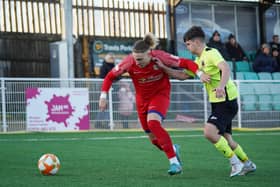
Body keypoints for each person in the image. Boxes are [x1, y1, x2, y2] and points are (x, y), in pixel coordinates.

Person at [99, 32, 206, 175]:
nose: (137, 62)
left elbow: (187, 63)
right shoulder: (129, 62)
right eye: (135, 59)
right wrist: (103, 95)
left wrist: (199, 74)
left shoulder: (160, 56)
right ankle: (173, 149)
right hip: (142, 100)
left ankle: (174, 162)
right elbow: (109, 77)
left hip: (160, 95)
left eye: (140, 59)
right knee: (154, 141)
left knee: (153, 123)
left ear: (150, 54)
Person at [180, 26, 256, 177]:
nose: (187, 47)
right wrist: (162, 68)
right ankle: (247, 163)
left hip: (226, 100)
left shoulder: (211, 53)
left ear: (195, 42)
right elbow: (182, 75)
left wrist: (221, 86)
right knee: (227, 138)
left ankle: (235, 163)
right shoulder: (198, 60)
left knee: (209, 132)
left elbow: (226, 68)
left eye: (187, 44)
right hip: (218, 102)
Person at [96, 53, 116, 129]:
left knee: (108, 106)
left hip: (111, 89)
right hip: (105, 89)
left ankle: (106, 122)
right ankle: (104, 123)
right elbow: (106, 77)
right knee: (103, 106)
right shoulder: (104, 66)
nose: (112, 59)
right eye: (110, 58)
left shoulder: (113, 66)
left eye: (113, 57)